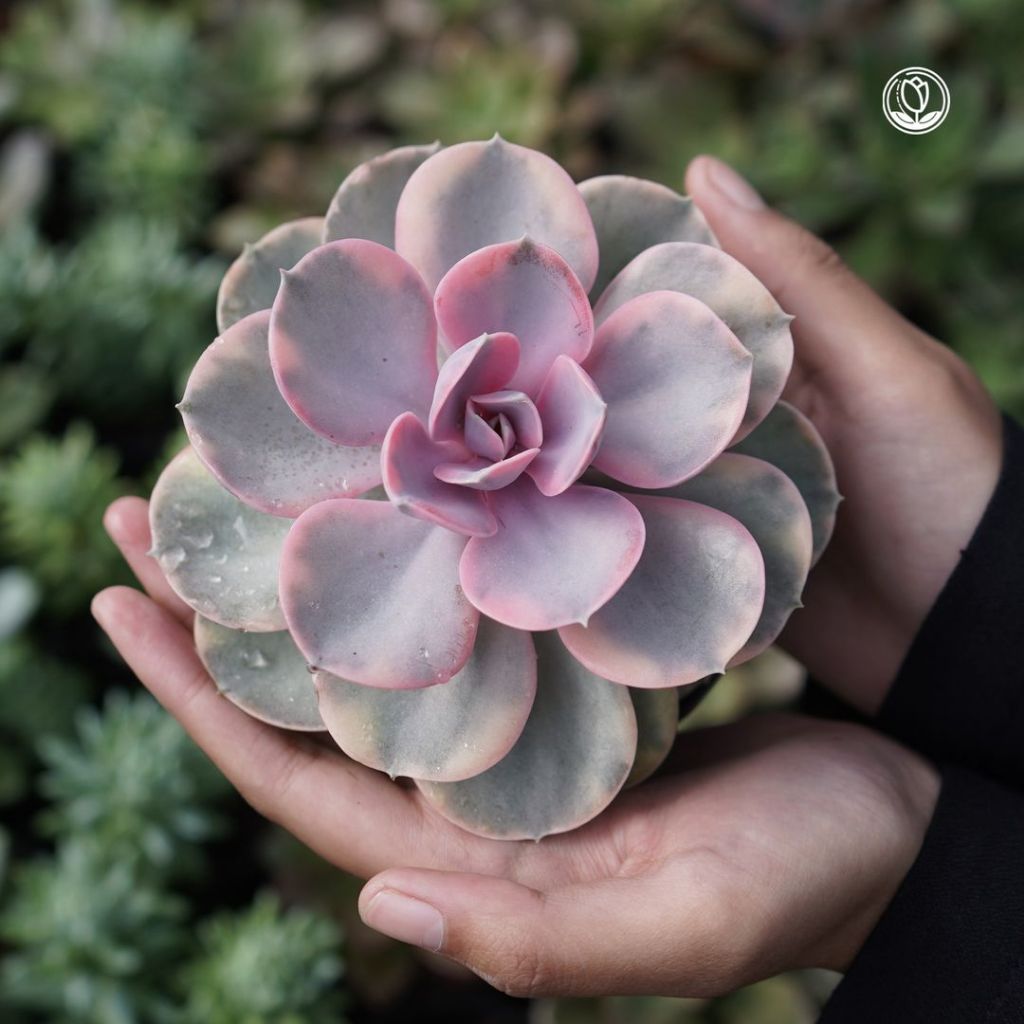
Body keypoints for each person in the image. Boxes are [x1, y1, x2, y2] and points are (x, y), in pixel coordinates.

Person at [92, 156, 1024, 1021]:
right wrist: (986, 591)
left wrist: (925, 891)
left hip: (594, 567)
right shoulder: (351, 395)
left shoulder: (622, 431)